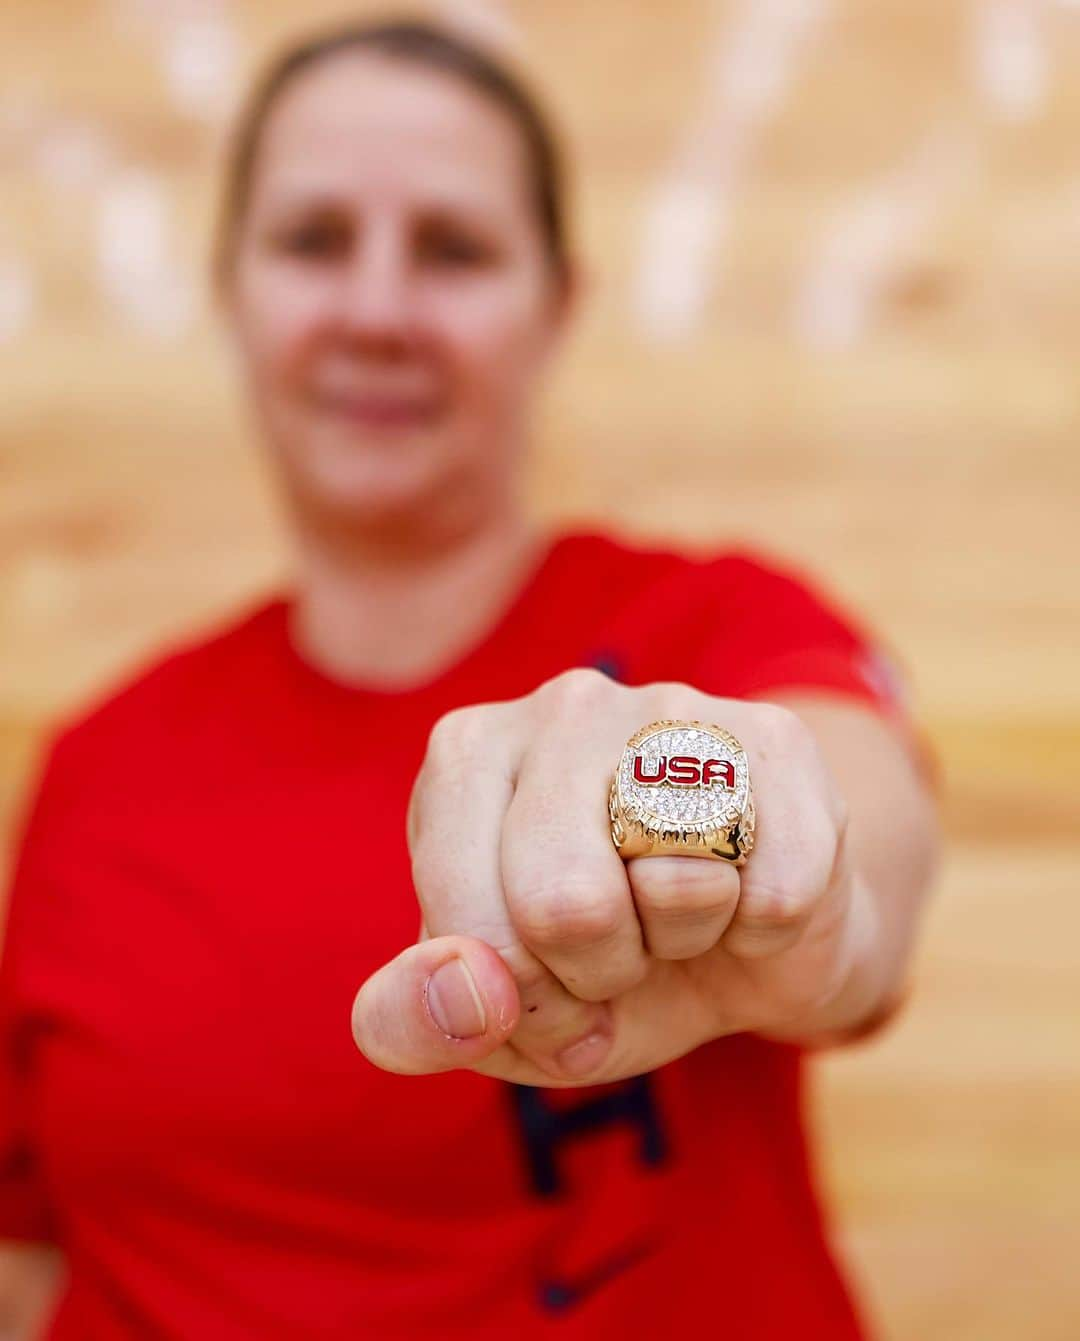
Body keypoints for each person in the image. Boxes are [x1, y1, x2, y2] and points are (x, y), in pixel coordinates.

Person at [0, 16, 942, 1340]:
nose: (377, 310)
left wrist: (784, 877)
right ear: (232, 293)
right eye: (315, 241)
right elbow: (30, 1260)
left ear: (557, 307)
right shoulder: (95, 768)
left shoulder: (715, 627)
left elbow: (863, 839)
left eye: (453, 249)